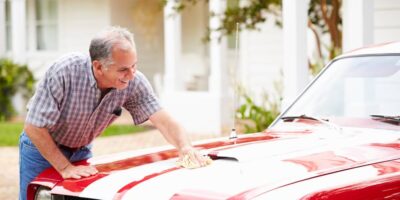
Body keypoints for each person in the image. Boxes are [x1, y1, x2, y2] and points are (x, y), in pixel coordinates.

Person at [19, 26, 210, 200]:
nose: (132, 74)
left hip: (81, 151)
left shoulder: (133, 81)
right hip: (40, 150)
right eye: (123, 69)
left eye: (134, 65)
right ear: (98, 66)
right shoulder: (64, 71)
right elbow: (34, 126)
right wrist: (65, 167)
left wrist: (185, 147)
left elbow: (162, 119)